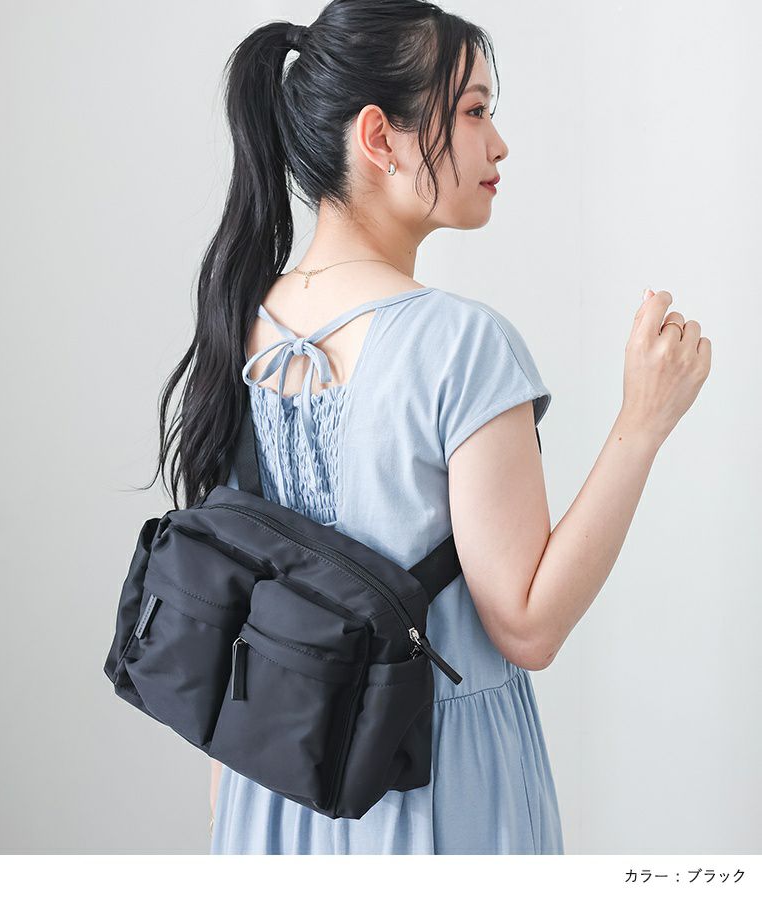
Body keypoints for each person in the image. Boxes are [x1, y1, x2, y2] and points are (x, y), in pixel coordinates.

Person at [151, 0, 711, 854]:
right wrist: (644, 420)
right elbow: (527, 625)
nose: (500, 144)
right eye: (475, 111)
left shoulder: (241, 319)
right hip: (433, 786)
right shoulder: (461, 343)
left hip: (268, 791)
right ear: (380, 137)